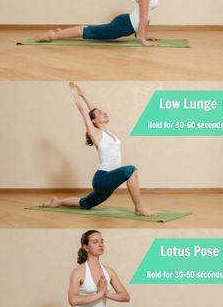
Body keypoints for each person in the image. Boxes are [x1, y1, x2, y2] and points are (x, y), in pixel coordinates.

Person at [42, 81, 155, 215]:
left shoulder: (108, 133)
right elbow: (84, 111)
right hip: (102, 179)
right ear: (94, 121)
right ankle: (139, 208)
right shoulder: (95, 133)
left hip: (109, 182)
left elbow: (92, 110)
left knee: (84, 203)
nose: (104, 112)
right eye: (101, 113)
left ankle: (57, 202)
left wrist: (84, 95)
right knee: (131, 170)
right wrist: (75, 94)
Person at [68, 229, 148, 307]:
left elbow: (125, 297)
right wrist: (99, 294)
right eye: (95, 242)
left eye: (102, 241)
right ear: (86, 247)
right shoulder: (78, 272)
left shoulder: (109, 271)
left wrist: (106, 294)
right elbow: (73, 300)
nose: (100, 244)